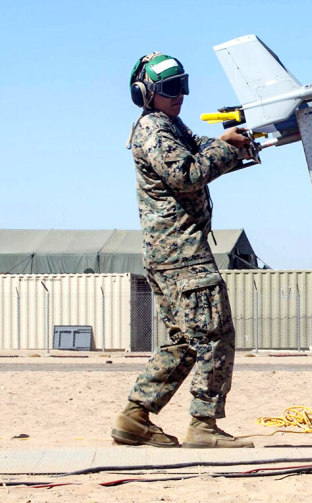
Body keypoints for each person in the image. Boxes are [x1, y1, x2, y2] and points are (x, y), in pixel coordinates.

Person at [111, 52, 253, 448]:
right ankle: (203, 425)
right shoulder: (154, 130)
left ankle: (135, 417)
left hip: (170, 254)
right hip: (182, 253)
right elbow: (187, 174)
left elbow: (200, 148)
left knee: (185, 342)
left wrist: (234, 144)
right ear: (145, 93)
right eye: (171, 88)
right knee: (215, 336)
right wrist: (225, 149)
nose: (180, 95)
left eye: (183, 86)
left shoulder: (170, 126)